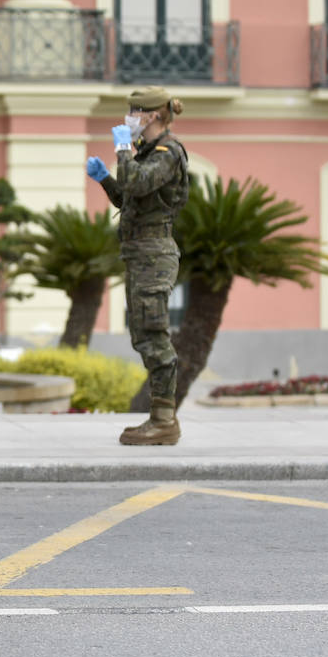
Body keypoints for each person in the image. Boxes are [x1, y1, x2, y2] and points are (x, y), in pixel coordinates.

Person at [86, 86, 190, 446]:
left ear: (154, 115)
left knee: (153, 334)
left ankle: (164, 420)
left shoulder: (167, 153)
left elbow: (137, 181)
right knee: (143, 334)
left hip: (154, 255)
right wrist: (105, 180)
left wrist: (120, 150)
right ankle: (160, 417)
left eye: (136, 111)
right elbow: (130, 196)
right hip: (141, 254)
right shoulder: (147, 153)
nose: (130, 118)